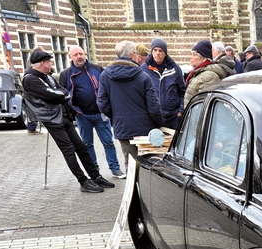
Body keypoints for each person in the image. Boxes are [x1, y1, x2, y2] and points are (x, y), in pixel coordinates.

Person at [22, 49, 115, 193]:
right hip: (52, 119)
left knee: (81, 147)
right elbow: (53, 95)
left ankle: (95, 176)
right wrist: (62, 95)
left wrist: (62, 95)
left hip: (63, 115)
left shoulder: (47, 77)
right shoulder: (31, 79)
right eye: (49, 61)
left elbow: (63, 91)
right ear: (42, 63)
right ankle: (83, 181)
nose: (51, 63)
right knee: (68, 150)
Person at [58, 46, 125, 179]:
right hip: (81, 115)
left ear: (85, 54)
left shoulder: (97, 69)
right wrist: (72, 111)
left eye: (81, 53)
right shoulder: (66, 74)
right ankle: (94, 171)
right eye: (75, 55)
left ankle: (115, 168)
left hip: (100, 113)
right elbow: (62, 94)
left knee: (108, 142)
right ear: (70, 57)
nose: (79, 57)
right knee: (87, 144)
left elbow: (108, 87)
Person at [97, 40, 164, 167]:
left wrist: (116, 116)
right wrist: (159, 124)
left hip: (123, 128)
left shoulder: (105, 76)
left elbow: (102, 103)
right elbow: (154, 106)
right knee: (150, 164)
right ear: (132, 55)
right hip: (145, 129)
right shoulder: (143, 76)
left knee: (131, 165)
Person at [142, 38, 185, 130]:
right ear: (151, 52)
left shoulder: (175, 69)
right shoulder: (144, 70)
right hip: (152, 118)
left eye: (160, 51)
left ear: (165, 53)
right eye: (155, 50)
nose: (157, 53)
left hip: (173, 118)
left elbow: (182, 92)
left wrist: (180, 110)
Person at [185, 40, 228, 105]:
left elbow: (203, 105)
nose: (191, 57)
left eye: (194, 54)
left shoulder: (209, 76)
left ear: (204, 58)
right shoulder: (197, 73)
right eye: (191, 54)